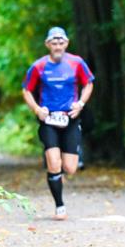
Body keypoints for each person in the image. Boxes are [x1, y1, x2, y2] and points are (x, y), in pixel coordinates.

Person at [22, 26, 94, 221]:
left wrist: (80, 104)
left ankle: (70, 159)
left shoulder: (76, 63)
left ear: (66, 43)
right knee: (54, 163)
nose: (57, 46)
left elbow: (89, 83)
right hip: (48, 120)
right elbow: (26, 90)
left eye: (61, 43)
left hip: (70, 118)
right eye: (54, 43)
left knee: (69, 168)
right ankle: (59, 206)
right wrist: (37, 109)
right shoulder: (38, 66)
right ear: (47, 45)